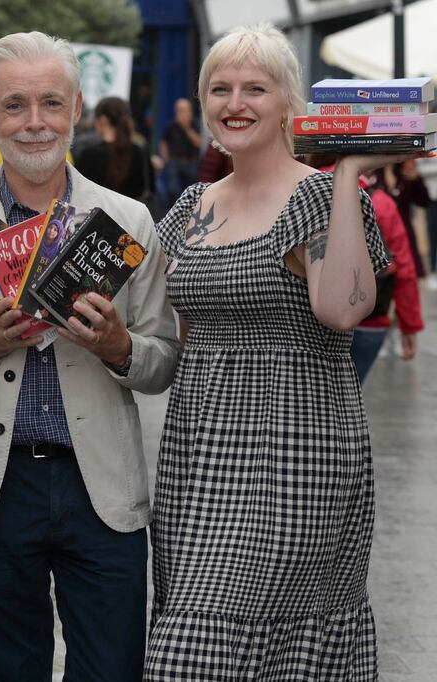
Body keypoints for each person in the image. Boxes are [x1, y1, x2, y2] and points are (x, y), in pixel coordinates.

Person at [0, 32, 179, 681]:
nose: (34, 123)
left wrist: (119, 349)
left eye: (51, 103)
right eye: (16, 105)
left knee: (113, 668)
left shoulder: (128, 221)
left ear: (77, 107)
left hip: (101, 490)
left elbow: (163, 358)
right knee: (10, 670)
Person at [147, 24, 398, 678]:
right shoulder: (190, 206)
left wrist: (346, 176)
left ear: (290, 102)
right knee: (193, 625)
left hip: (293, 449)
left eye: (255, 88)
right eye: (220, 88)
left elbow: (344, 309)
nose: (236, 101)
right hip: (198, 457)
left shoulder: (316, 197)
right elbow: (175, 333)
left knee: (192, 651)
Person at [351, 169, 423, 381]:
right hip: (370, 320)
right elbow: (404, 269)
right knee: (350, 396)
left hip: (309, 324)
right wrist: (409, 326)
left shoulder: (296, 187)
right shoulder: (380, 201)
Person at [74, 96, 154, 202]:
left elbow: (78, 192)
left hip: (97, 217)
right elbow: (150, 188)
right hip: (131, 216)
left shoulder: (89, 155)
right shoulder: (140, 152)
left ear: (103, 120)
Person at [158, 97, 201, 207]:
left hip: (190, 162)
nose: (181, 113)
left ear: (190, 111)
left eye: (184, 110)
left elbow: (199, 143)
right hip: (174, 162)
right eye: (179, 110)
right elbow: (163, 142)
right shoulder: (171, 125)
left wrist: (186, 128)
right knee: (173, 190)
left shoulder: (195, 124)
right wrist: (166, 159)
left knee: (192, 192)